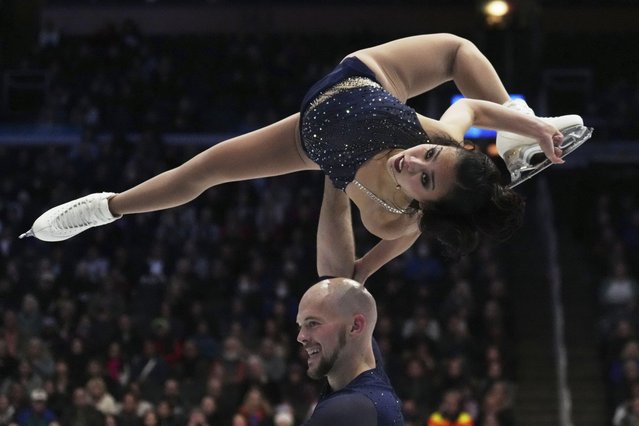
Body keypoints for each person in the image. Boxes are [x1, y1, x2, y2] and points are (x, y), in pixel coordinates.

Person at [21, 34, 590, 263]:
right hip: (365, 78)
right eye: (430, 159)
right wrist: (529, 123)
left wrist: (358, 262)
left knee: (207, 170)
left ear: (423, 206)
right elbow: (468, 107)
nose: (413, 160)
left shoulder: (392, 221)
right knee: (456, 52)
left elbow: (336, 273)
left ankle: (104, 208)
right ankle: (515, 141)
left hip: (312, 138)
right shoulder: (442, 138)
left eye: (423, 177)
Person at [296, 277, 404, 425]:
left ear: (355, 326)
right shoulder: (372, 372)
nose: (301, 337)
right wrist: (361, 271)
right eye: (301, 325)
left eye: (313, 323)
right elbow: (341, 283)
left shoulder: (346, 410)